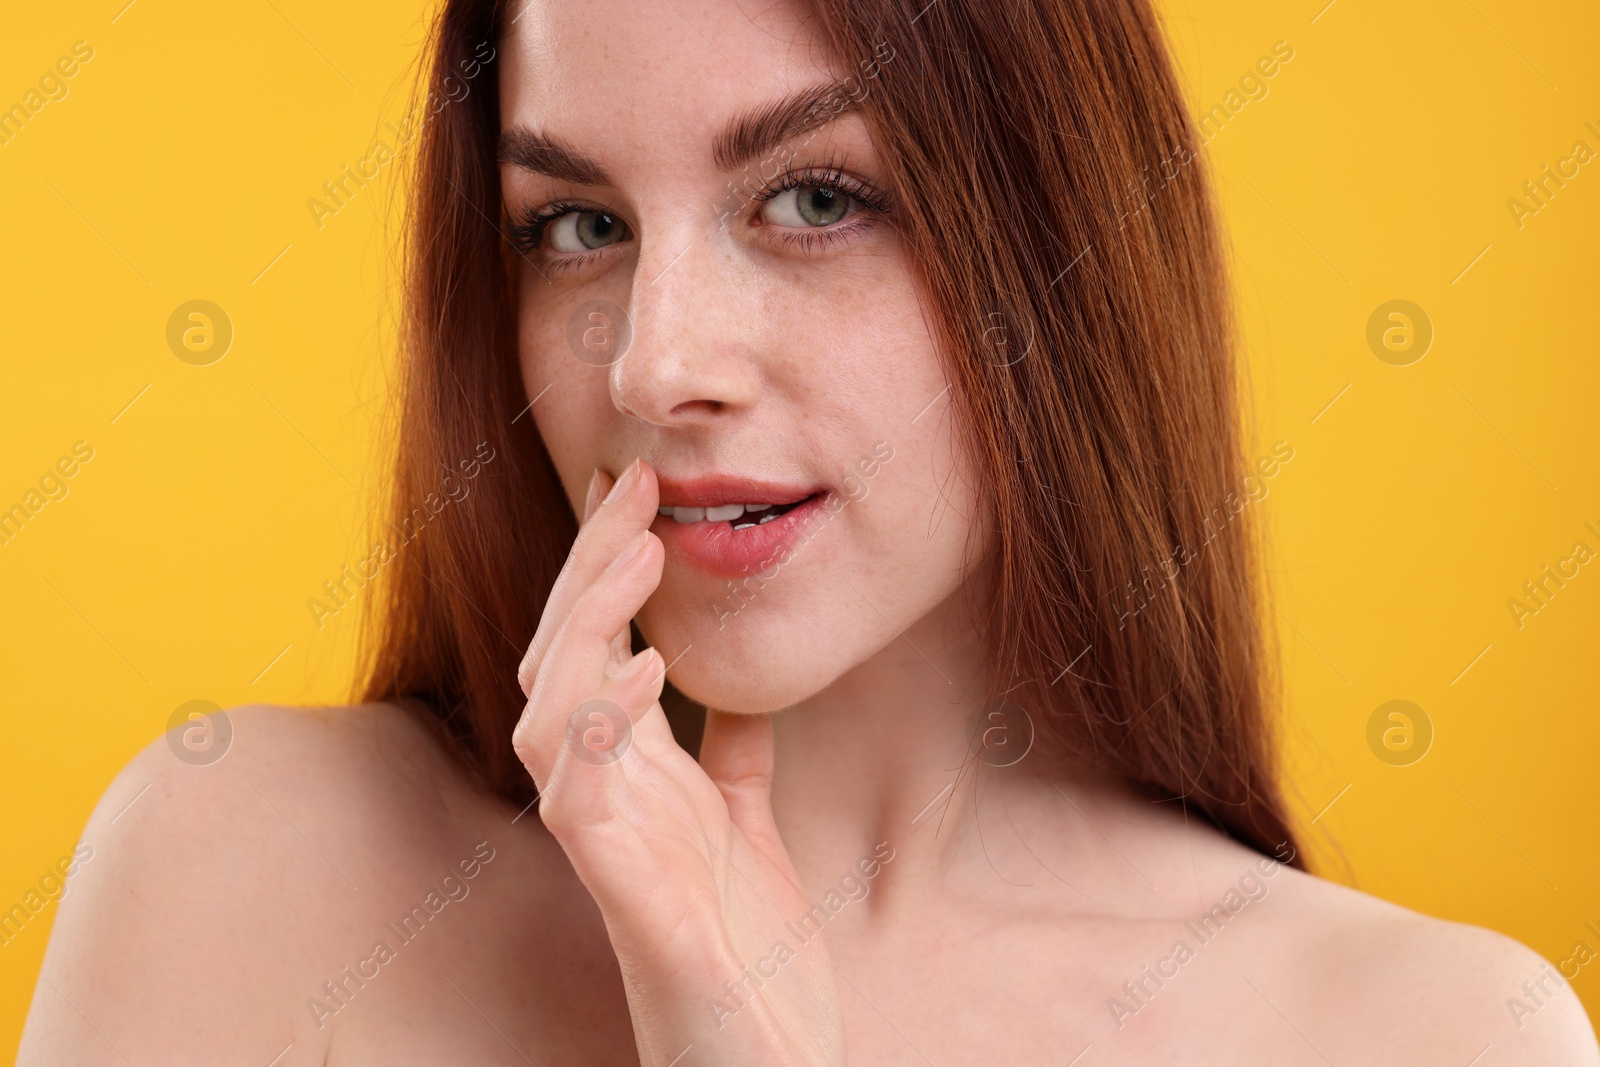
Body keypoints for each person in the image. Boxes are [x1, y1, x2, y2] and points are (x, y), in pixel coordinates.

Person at [21, 0, 1598, 1062]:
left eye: (816, 199)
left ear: (1064, 241)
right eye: (579, 226)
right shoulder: (233, 868)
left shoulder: (1428, 1035)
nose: (654, 362)